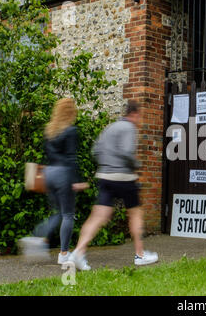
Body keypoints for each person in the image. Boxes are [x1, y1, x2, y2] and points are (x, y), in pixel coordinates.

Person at [69, 101, 158, 270]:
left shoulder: (110, 128)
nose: (140, 120)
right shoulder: (129, 128)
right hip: (124, 177)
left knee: (98, 216)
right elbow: (126, 151)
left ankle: (78, 253)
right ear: (135, 114)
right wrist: (136, 164)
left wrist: (107, 164)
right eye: (140, 117)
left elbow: (95, 150)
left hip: (105, 177)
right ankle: (140, 255)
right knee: (135, 214)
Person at [19, 98, 88, 264]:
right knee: (68, 214)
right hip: (63, 174)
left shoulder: (49, 130)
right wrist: (76, 180)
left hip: (48, 173)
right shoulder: (71, 130)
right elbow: (71, 157)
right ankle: (64, 254)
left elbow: (48, 155)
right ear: (71, 112)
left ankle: (36, 237)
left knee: (57, 213)